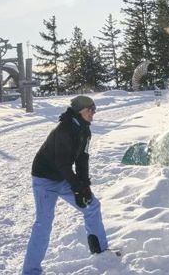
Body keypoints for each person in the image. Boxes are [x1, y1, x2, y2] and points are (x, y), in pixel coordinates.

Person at [23, 96, 108, 275]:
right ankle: (30, 271)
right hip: (45, 179)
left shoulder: (85, 131)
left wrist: (85, 186)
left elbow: (82, 159)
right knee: (43, 224)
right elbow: (62, 164)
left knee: (92, 206)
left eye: (95, 109)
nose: (94, 113)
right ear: (80, 111)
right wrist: (76, 188)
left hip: (62, 178)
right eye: (91, 109)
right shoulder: (64, 130)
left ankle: (101, 252)